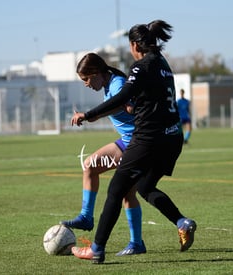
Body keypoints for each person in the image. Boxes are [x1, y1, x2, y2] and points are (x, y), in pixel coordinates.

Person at [70, 20, 197, 264]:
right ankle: (182, 222)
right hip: (172, 138)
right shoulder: (162, 64)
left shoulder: (142, 66)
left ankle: (96, 248)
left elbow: (124, 95)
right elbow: (141, 97)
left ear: (134, 45)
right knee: (144, 188)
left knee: (116, 190)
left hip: (148, 139)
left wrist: (88, 114)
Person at [60, 53, 146, 256]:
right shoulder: (110, 83)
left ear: (97, 73)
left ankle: (137, 243)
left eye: (86, 79)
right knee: (90, 165)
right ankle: (86, 217)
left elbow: (118, 103)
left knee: (127, 193)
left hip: (138, 144)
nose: (86, 84)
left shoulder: (117, 83)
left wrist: (92, 115)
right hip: (126, 142)